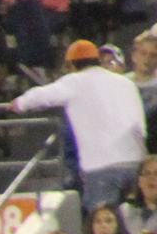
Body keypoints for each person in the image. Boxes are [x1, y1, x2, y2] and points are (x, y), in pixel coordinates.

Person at [16, 42, 149, 212]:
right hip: (136, 162)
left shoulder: (75, 81)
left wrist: (18, 103)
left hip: (101, 167)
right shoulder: (126, 83)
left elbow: (41, 96)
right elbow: (141, 127)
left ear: (71, 65)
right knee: (135, 216)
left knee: (102, 220)